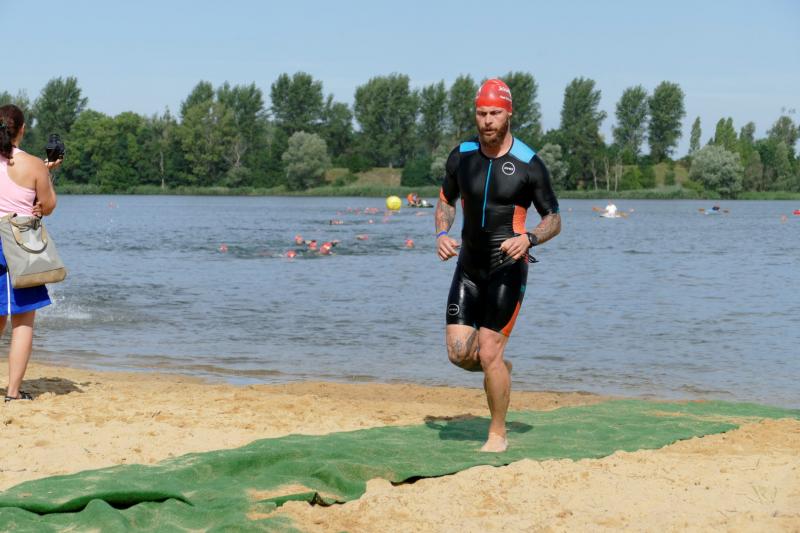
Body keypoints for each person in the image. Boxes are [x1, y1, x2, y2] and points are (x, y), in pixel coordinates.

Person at [434, 79, 561, 452]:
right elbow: (445, 200)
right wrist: (441, 233)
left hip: (508, 265)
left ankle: (497, 433)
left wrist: (530, 238)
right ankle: (500, 370)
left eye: (494, 113)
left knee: (489, 351)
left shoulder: (528, 163)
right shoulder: (462, 156)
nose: (487, 120)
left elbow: (554, 218)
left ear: (509, 115)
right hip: (468, 267)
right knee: (459, 354)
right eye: (481, 113)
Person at [0, 104, 58, 402]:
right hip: (15, 243)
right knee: (23, 321)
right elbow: (47, 206)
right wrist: (45, 174)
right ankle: (13, 393)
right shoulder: (33, 165)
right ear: (21, 129)